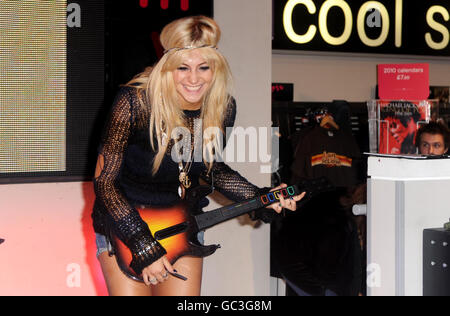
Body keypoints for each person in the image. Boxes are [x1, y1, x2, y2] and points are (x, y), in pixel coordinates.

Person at [92, 15, 305, 296]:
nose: (194, 79)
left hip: (181, 222)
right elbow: (105, 181)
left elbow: (209, 168)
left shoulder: (222, 107)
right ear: (168, 67)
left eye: (203, 67)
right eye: (183, 68)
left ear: (215, 68)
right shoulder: (136, 103)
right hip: (125, 222)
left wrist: (260, 197)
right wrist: (142, 242)